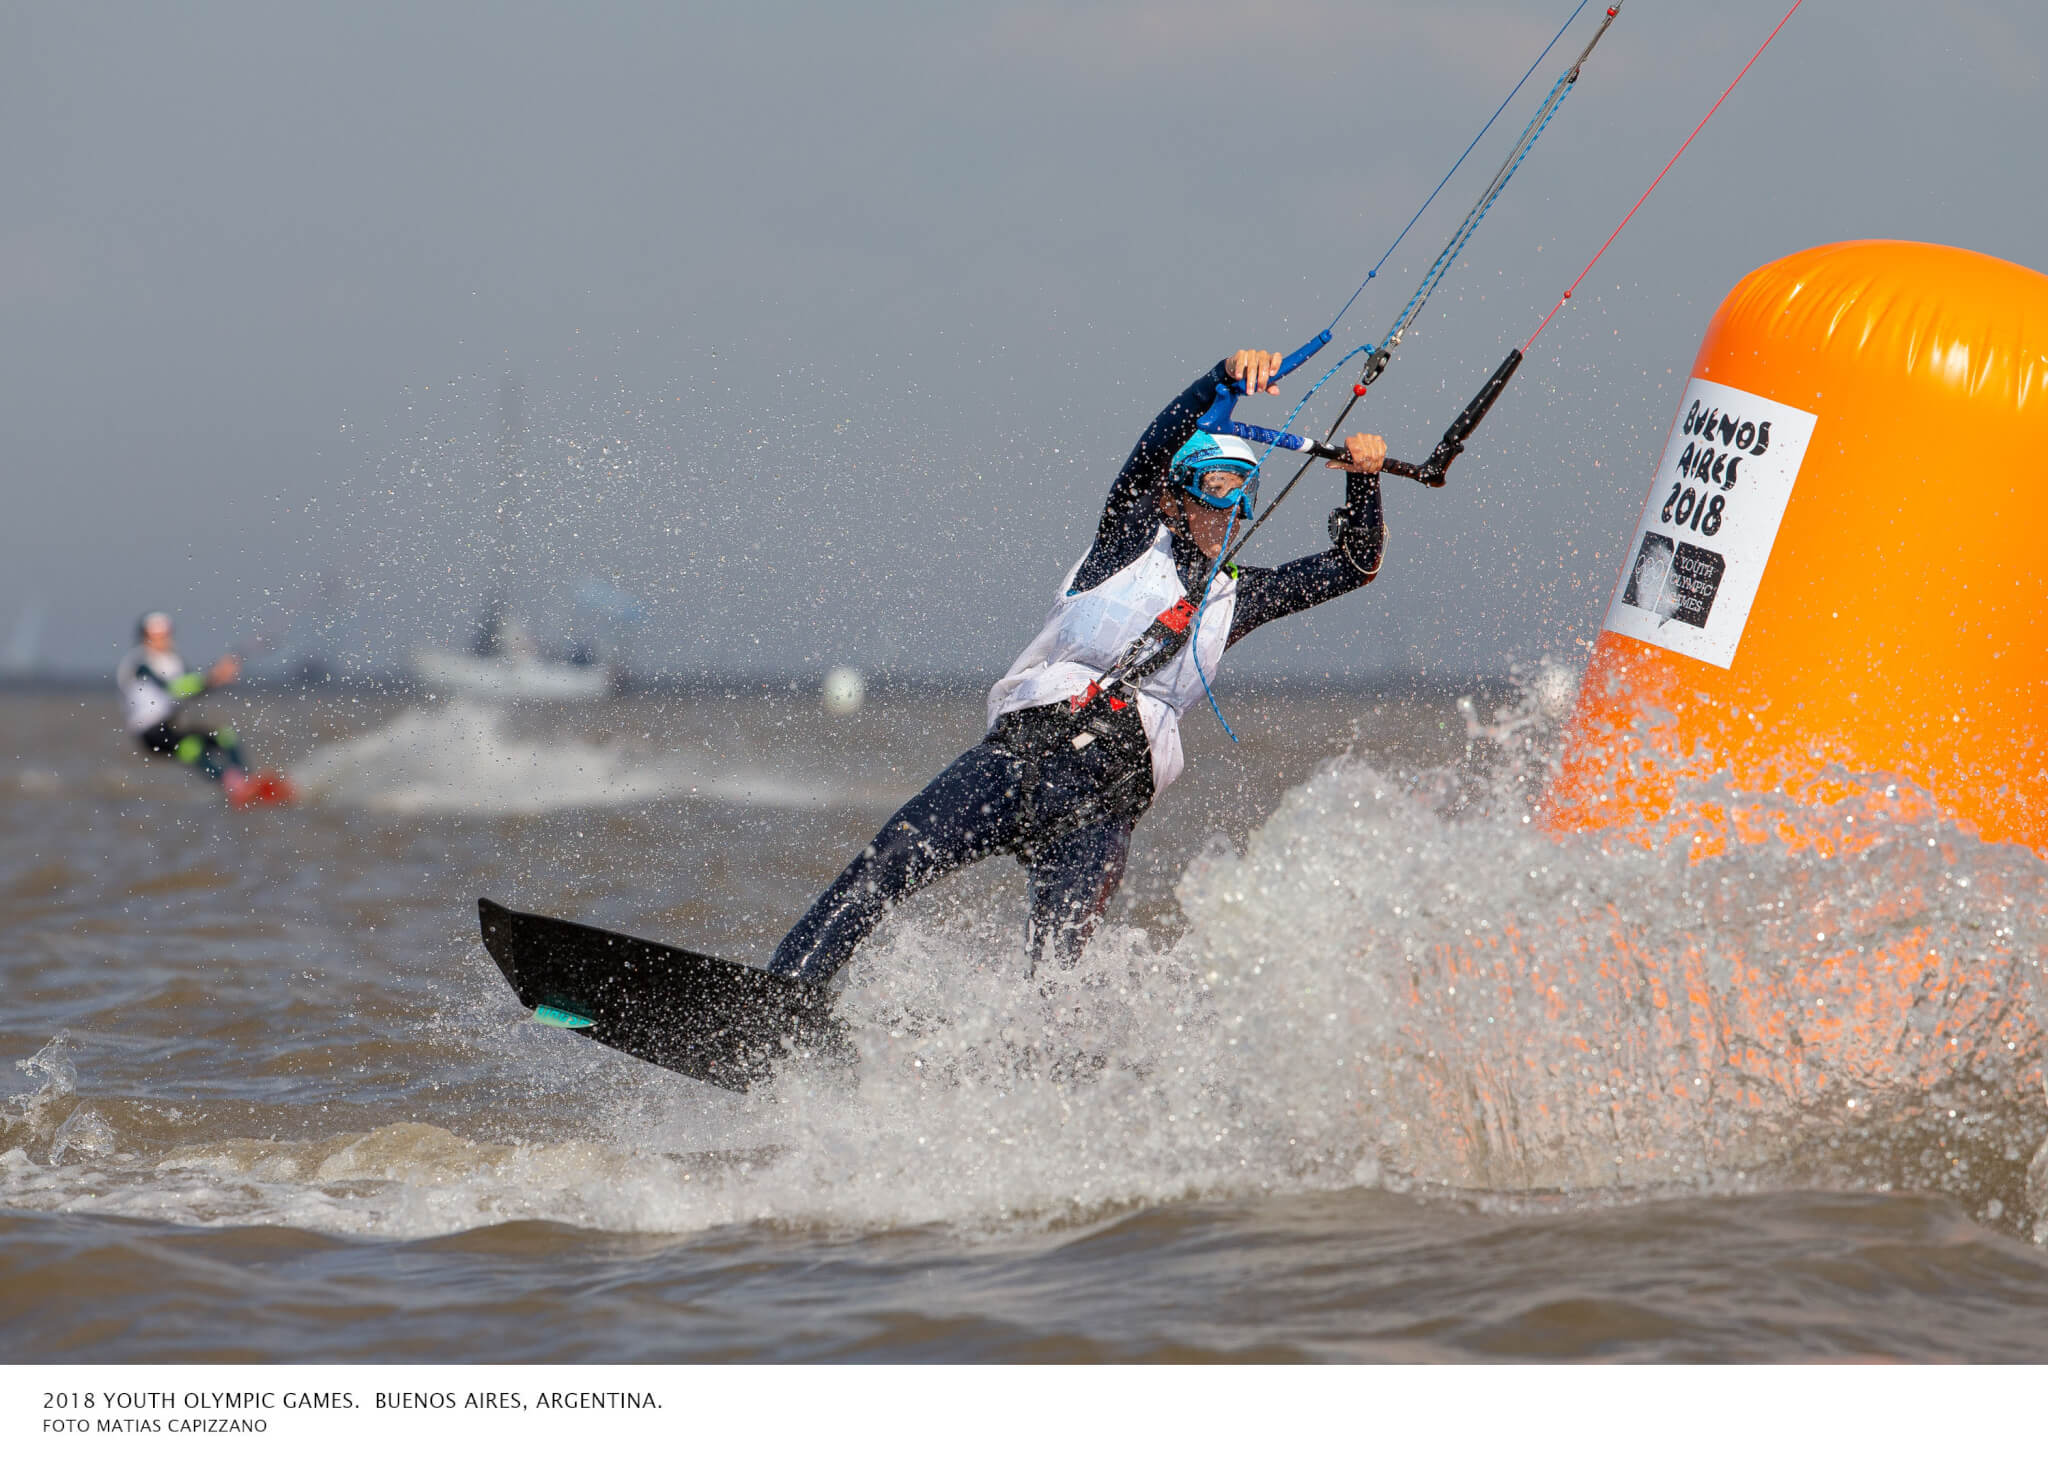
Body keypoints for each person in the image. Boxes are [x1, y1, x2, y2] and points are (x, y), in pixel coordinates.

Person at [769, 349, 1390, 987]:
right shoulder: (1125, 542)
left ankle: (1027, 1075)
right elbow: (1155, 447)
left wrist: (1362, 477)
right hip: (1014, 761)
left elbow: (1353, 566)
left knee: (1055, 976)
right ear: (1172, 502)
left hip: (1103, 806)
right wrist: (1220, 380)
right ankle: (779, 999)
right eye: (1215, 489)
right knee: (881, 869)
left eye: (1244, 493)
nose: (1229, 510)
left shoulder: (1240, 599)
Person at [116, 612, 281, 805]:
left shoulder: (174, 661)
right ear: (145, 637)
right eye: (155, 636)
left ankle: (246, 782)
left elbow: (193, 690)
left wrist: (220, 677)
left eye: (165, 634)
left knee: (226, 736)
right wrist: (211, 677)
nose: (162, 640)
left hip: (170, 727)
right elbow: (172, 687)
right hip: (149, 732)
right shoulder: (138, 663)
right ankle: (234, 787)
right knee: (192, 748)